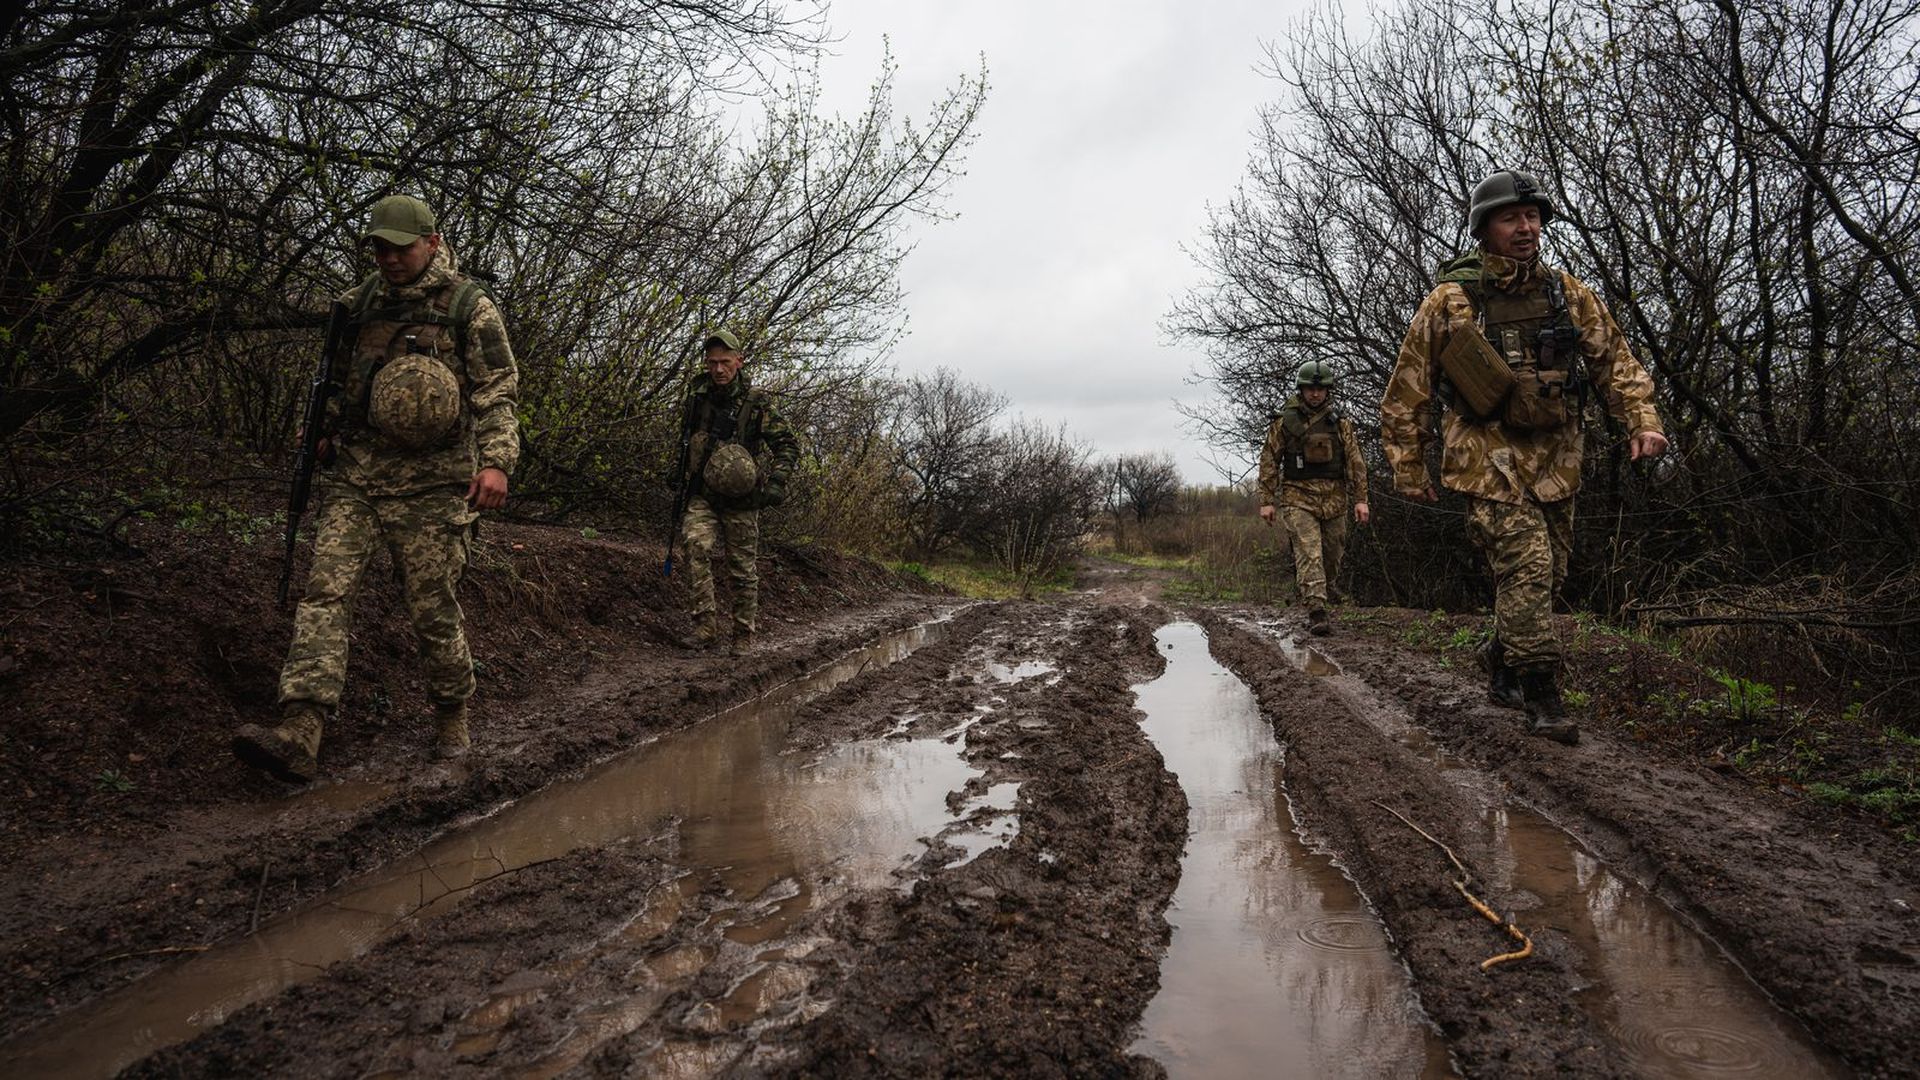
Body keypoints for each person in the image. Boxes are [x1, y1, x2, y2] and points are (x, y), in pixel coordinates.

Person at [233, 194, 520, 782]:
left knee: (430, 605)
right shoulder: (356, 306)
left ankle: (450, 715)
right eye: (379, 248)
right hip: (360, 474)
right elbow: (336, 383)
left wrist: (496, 464)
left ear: (432, 243)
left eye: (401, 247)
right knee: (325, 593)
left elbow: (497, 392)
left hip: (437, 482)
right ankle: (302, 727)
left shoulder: (470, 307)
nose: (389, 258)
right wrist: (324, 429)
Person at [1381, 169, 1668, 745]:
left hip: (1555, 459)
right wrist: (1407, 469)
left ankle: (1503, 661)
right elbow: (1408, 390)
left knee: (1551, 574)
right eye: (1512, 217)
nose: (1526, 227)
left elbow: (1615, 360)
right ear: (1484, 228)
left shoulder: (1566, 292)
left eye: (1533, 216)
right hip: (1486, 460)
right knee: (1528, 567)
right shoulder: (1451, 301)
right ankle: (1543, 696)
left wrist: (1643, 420)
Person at [673, 330, 798, 654]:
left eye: (725, 362)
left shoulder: (756, 402)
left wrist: (777, 482)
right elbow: (687, 436)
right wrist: (676, 471)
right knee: (694, 546)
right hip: (703, 494)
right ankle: (705, 628)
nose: (718, 369)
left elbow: (787, 444)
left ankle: (743, 635)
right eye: (712, 362)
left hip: (742, 500)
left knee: (742, 568)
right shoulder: (697, 394)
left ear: (739, 361)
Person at [1258, 361, 1370, 636]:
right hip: (1298, 497)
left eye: (1321, 389)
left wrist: (1361, 498)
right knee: (1310, 552)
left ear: (1328, 391)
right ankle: (1317, 611)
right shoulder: (1285, 422)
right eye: (1311, 389)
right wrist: (1266, 500)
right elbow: (1269, 460)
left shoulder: (1341, 424)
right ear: (1302, 389)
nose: (1316, 394)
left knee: (1333, 554)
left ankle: (1322, 590)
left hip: (1334, 498)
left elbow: (1355, 461)